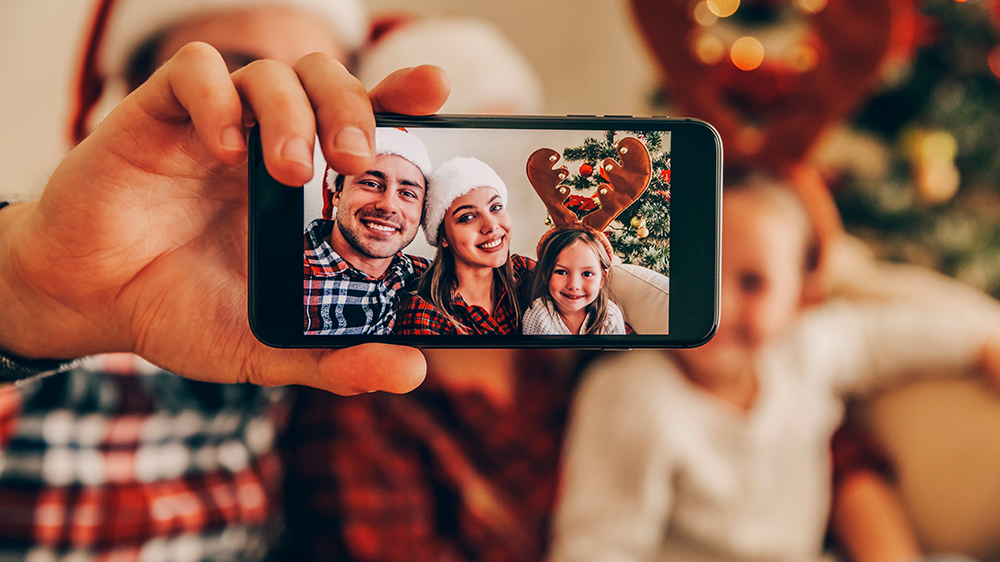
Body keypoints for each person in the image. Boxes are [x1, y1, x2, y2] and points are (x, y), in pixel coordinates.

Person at [0, 2, 450, 556]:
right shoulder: (51, 280)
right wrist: (21, 292)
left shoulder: (341, 309)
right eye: (238, 88)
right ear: (129, 95)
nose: (279, 119)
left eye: (307, 103)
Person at [548, 172, 1000, 562]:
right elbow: (597, 546)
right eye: (695, 274)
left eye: (752, 282)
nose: (717, 306)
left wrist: (983, 346)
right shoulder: (631, 393)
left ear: (802, 297)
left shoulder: (801, 352)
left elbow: (885, 336)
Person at [303, 127, 433, 335]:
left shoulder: (429, 277)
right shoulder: (274, 273)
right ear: (337, 193)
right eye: (371, 184)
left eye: (407, 193)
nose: (388, 205)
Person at [394, 156, 534, 335]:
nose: (491, 226)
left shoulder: (525, 273)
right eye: (467, 217)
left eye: (496, 207)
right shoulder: (425, 314)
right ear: (442, 237)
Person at [522, 226, 626, 335]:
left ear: (602, 279)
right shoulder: (537, 315)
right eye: (561, 272)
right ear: (545, 274)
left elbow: (620, 352)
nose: (574, 285)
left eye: (587, 274)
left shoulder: (611, 316)